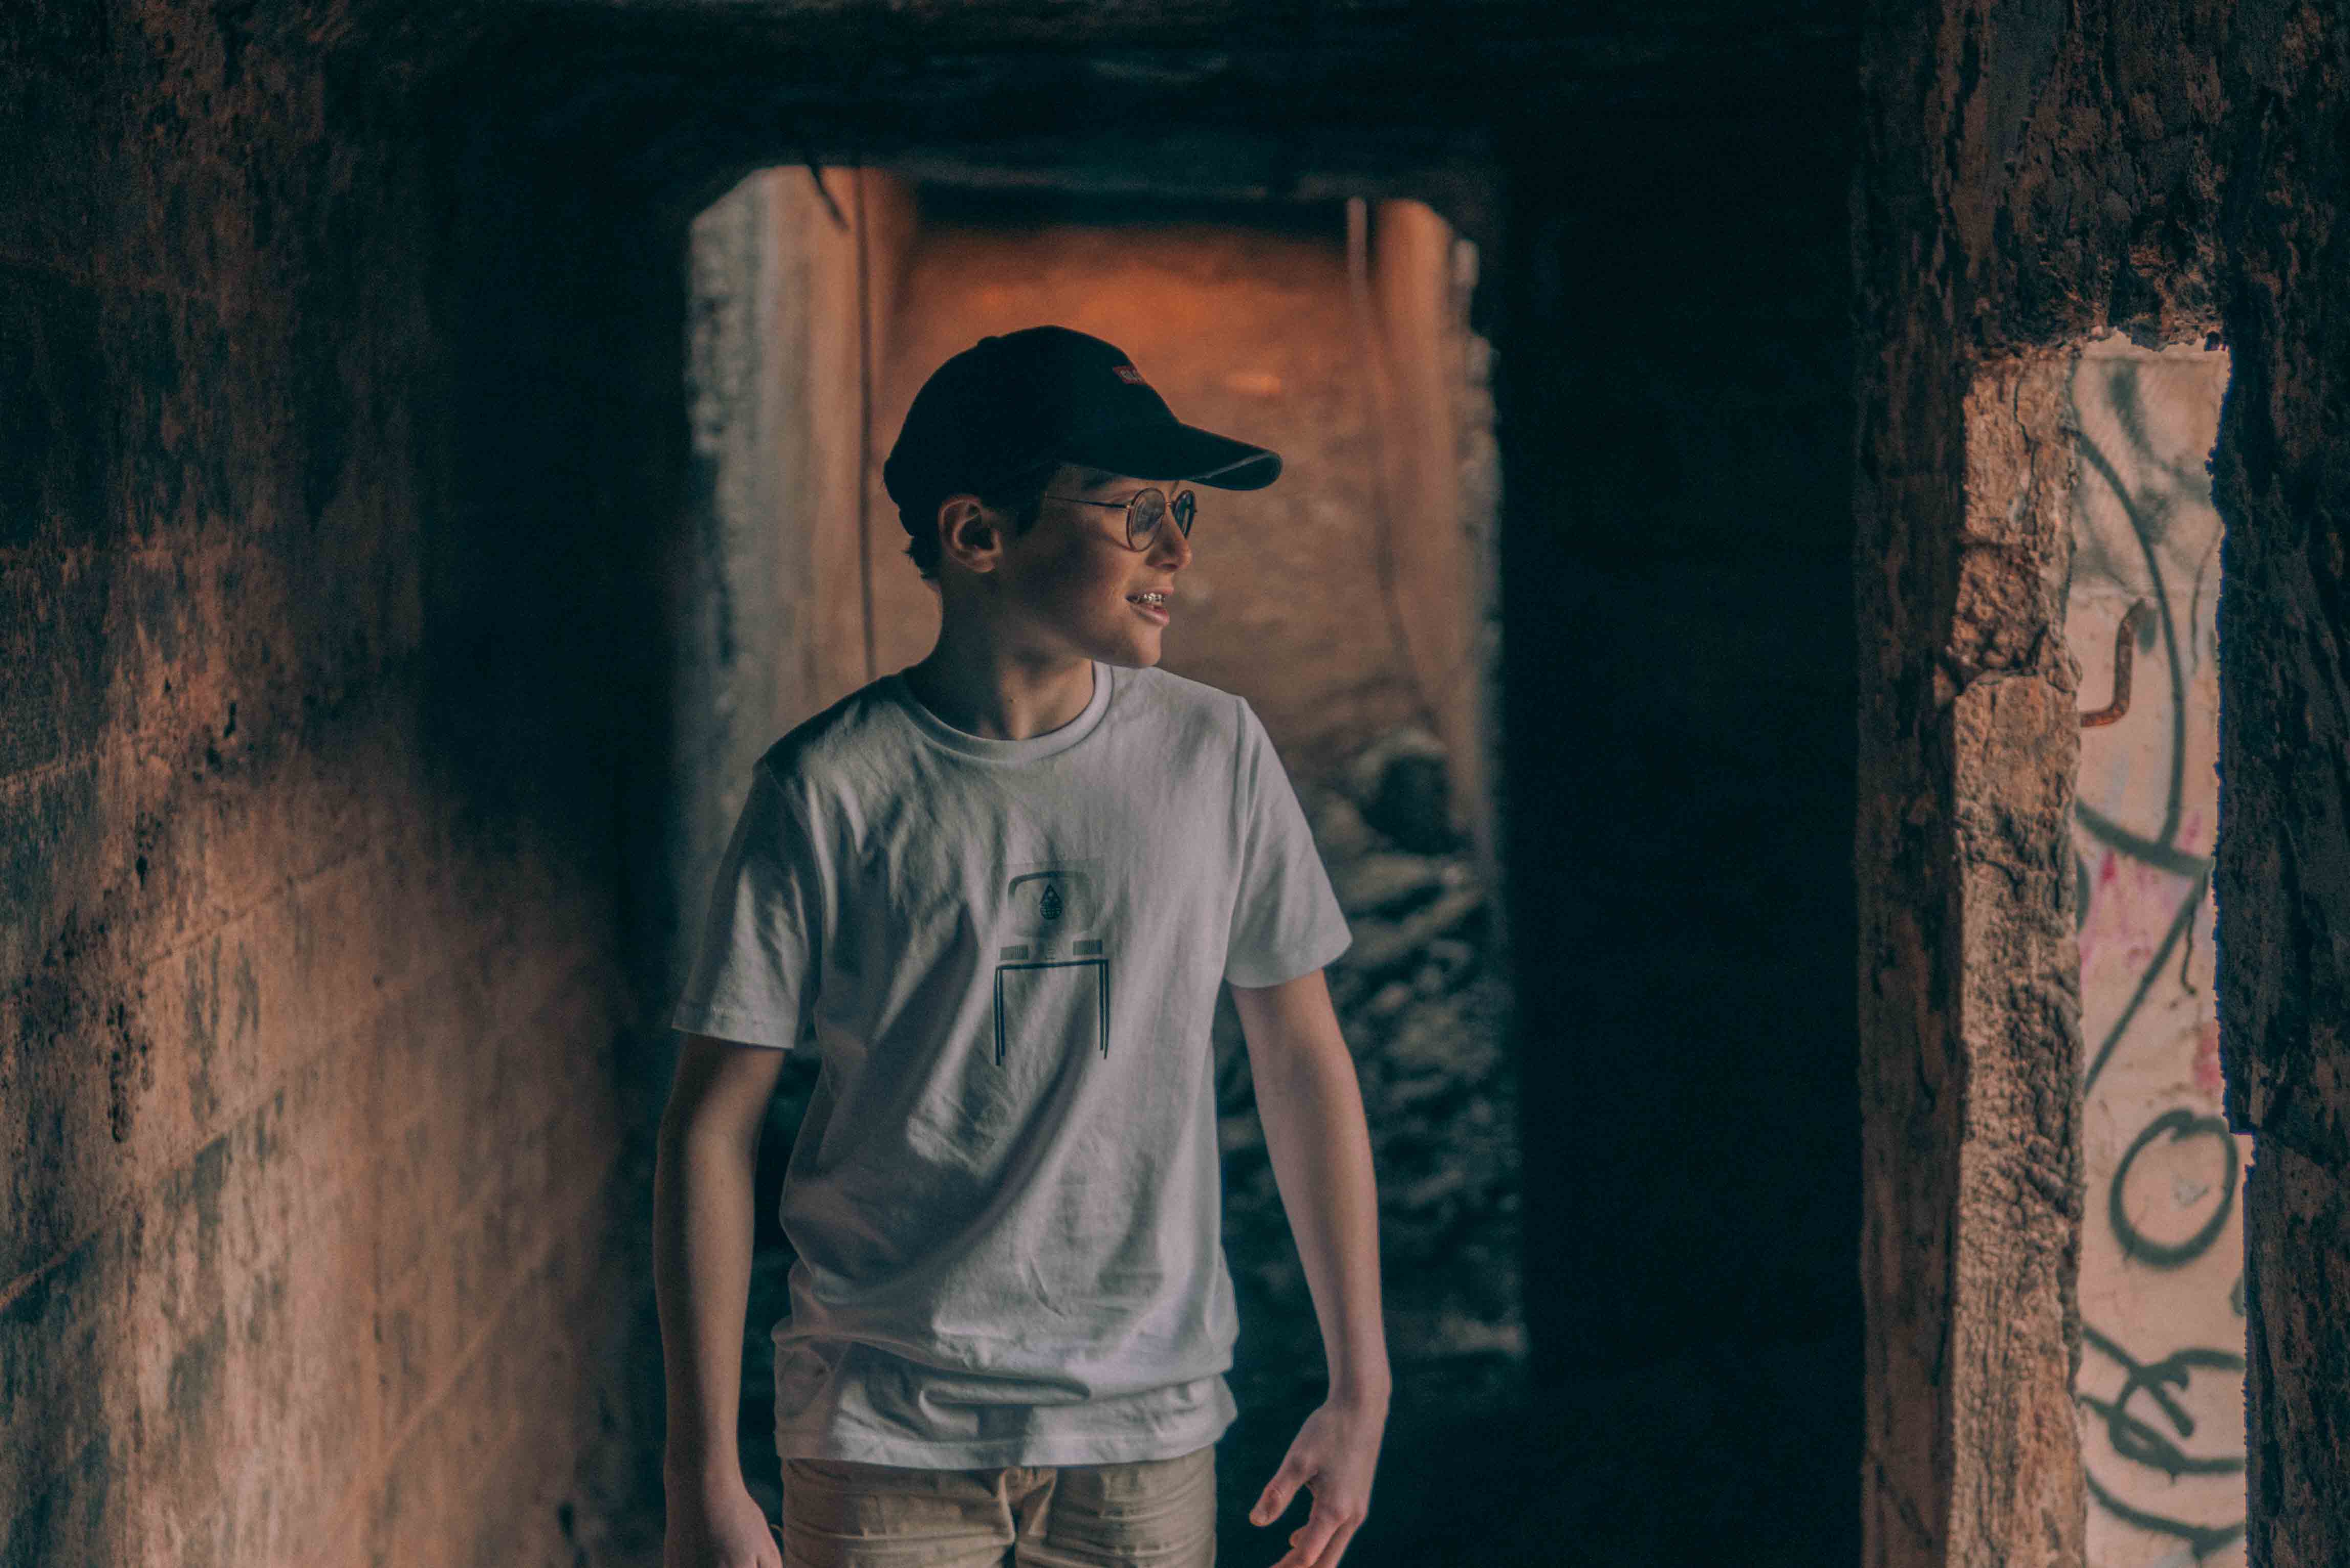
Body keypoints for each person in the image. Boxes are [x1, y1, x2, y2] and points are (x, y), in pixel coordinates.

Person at [654, 325, 1389, 1568]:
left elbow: (1302, 1055)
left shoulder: (1214, 755)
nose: (1177, 547)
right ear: (978, 535)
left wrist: (1360, 1382)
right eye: (1133, 511)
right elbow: (711, 1126)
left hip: (1142, 1432)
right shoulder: (828, 790)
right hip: (880, 1434)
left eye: (1183, 509)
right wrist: (702, 1476)